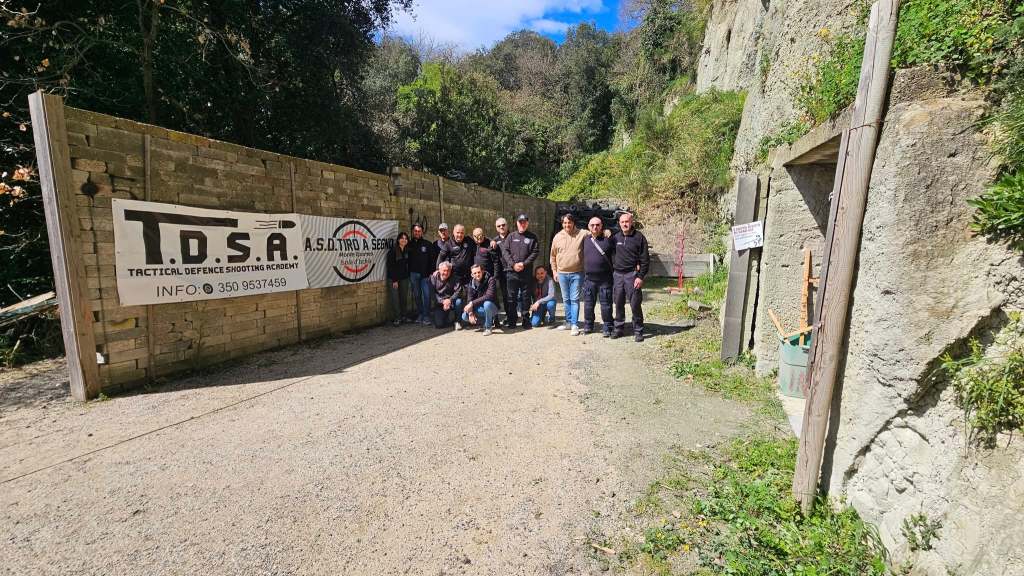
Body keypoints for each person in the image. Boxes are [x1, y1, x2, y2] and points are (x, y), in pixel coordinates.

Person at [611, 212, 651, 341]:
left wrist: (640, 276)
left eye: (627, 222)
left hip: (632, 275)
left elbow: (645, 259)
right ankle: (618, 328)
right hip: (618, 275)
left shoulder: (639, 237)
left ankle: (638, 330)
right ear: (619, 223)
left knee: (635, 304)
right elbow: (609, 253)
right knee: (618, 303)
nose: (624, 224)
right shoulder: (615, 237)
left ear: (631, 222)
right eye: (622, 222)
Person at [499, 213, 540, 329]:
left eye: (524, 222)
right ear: (517, 223)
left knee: (526, 297)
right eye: (520, 222)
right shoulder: (511, 236)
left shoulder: (532, 237)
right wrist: (513, 264)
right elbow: (505, 252)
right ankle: (512, 320)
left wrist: (524, 264)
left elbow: (535, 252)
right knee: (511, 297)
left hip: (526, 272)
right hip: (512, 272)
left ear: (527, 223)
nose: (522, 224)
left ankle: (526, 320)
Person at [550, 214, 585, 336]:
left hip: (577, 273)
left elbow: (594, 232)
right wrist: (554, 271)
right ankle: (569, 322)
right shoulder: (557, 237)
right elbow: (553, 256)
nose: (567, 225)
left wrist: (606, 232)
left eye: (569, 222)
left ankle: (574, 324)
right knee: (566, 299)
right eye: (564, 223)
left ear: (573, 223)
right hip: (562, 273)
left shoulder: (582, 234)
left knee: (574, 299)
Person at [581, 217, 615, 337]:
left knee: (606, 305)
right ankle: (588, 325)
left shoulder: (609, 239)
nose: (595, 227)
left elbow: (619, 250)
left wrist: (610, 231)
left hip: (605, 279)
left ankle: (607, 326)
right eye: (592, 225)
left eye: (597, 225)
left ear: (602, 226)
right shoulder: (585, 239)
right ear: (588, 227)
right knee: (588, 305)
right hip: (589, 279)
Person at [408, 223, 435, 325]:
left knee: (426, 296)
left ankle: (426, 316)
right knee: (417, 295)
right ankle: (420, 314)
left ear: (422, 232)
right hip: (413, 274)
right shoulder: (409, 244)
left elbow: (433, 260)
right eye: (415, 231)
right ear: (412, 232)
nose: (417, 233)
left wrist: (431, 273)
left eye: (419, 231)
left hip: (425, 275)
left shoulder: (427, 244)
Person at [461, 264, 499, 336]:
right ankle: (484, 322)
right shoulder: (471, 283)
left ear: (483, 271)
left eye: (479, 272)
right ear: (472, 275)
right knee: (465, 316)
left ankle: (488, 328)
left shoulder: (491, 280)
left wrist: (472, 303)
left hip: (492, 307)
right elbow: (469, 299)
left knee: (487, 304)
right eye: (475, 273)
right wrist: (471, 313)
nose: (477, 275)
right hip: (480, 308)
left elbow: (489, 296)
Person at [386, 232, 412, 326]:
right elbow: (390, 266)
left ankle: (404, 316)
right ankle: (397, 318)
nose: (404, 240)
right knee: (395, 299)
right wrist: (394, 280)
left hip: (404, 278)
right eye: (402, 238)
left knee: (403, 298)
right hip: (394, 279)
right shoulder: (393, 251)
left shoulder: (407, 250)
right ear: (398, 240)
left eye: (406, 238)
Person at [429, 261, 464, 330]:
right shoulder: (433, 278)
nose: (446, 272)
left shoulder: (455, 278)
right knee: (439, 325)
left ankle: (457, 321)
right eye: (444, 270)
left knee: (459, 302)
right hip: (440, 303)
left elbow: (458, 291)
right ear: (439, 270)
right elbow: (432, 294)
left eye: (448, 270)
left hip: (452, 301)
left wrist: (449, 300)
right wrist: (443, 301)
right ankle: (447, 317)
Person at [492, 217, 512, 320]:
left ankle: (516, 315)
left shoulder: (513, 237)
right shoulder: (495, 240)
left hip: (513, 271)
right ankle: (509, 316)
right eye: (499, 226)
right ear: (496, 228)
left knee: (515, 295)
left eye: (503, 225)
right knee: (505, 295)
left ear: (507, 225)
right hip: (502, 272)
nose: (501, 227)